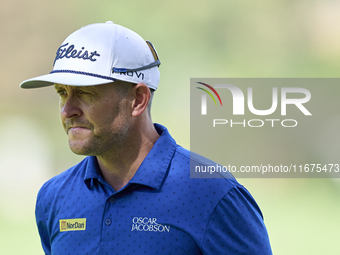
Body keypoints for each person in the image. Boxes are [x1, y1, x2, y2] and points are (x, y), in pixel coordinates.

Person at [20, 21, 272, 255]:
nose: (68, 110)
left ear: (138, 100)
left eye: (86, 93)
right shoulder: (54, 196)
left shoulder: (213, 194)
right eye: (62, 93)